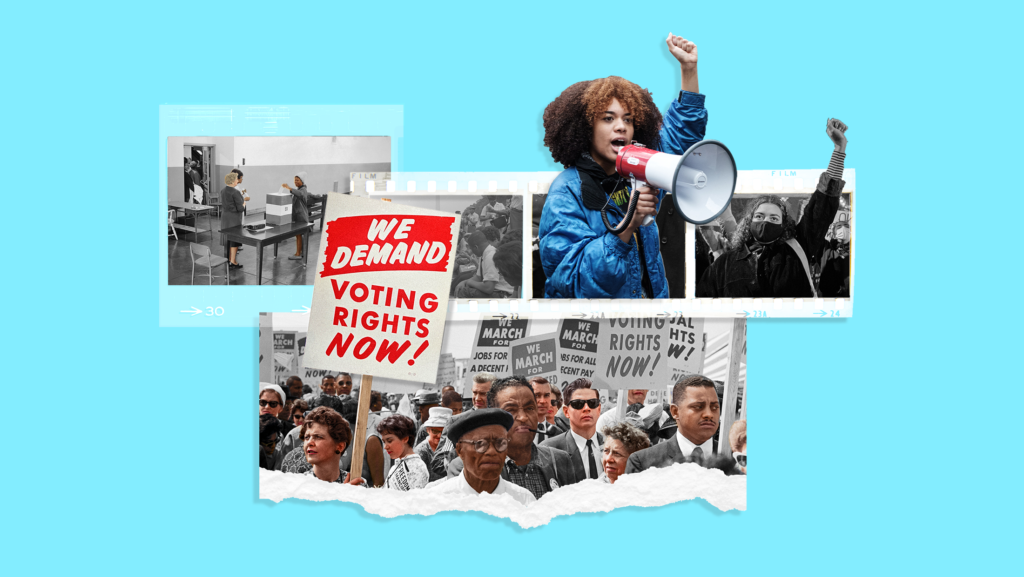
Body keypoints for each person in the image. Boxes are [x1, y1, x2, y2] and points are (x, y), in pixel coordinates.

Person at [539, 34, 707, 299]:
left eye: (628, 120)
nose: (621, 126)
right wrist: (629, 224)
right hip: (598, 332)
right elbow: (573, 280)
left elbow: (681, 134)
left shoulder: (640, 169)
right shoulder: (566, 191)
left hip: (648, 323)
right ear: (585, 128)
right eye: (608, 118)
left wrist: (689, 69)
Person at [696, 118, 849, 298]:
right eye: (759, 216)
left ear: (784, 225)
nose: (765, 222)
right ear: (749, 221)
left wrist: (839, 149)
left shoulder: (798, 248)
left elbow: (822, 204)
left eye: (774, 218)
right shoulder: (722, 265)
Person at [624, 374, 734, 474]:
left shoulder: (738, 460)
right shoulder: (642, 462)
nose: (709, 414)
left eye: (715, 407)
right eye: (698, 407)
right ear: (675, 412)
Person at [425, 408, 536, 505]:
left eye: (500, 443)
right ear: (459, 450)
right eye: (480, 444)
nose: (492, 452)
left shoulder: (524, 501)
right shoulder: (436, 501)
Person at [541, 378, 604, 481]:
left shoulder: (615, 446)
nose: (587, 408)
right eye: (578, 404)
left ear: (599, 409)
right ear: (566, 411)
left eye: (593, 403)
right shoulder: (548, 450)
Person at [300, 406, 361, 484]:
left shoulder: (356, 484)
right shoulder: (298, 485)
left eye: (318, 437)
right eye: (307, 437)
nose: (309, 442)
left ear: (340, 446)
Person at [372, 414, 430, 491]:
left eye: (389, 441)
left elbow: (413, 500)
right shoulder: (395, 465)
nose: (385, 446)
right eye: (384, 442)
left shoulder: (417, 467)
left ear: (405, 439)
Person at [455, 231, 515, 298]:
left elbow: (488, 288)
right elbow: (478, 277)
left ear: (476, 247)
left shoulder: (490, 256)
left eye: (471, 249)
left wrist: (469, 282)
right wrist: (464, 282)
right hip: (495, 291)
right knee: (462, 284)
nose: (471, 251)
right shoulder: (485, 253)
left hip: (501, 294)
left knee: (464, 292)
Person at [280, 172, 323, 261]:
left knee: (299, 235)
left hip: (301, 217)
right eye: (295, 180)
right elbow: (309, 194)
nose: (295, 182)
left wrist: (288, 187)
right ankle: (301, 252)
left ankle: (298, 254)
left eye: (297, 180)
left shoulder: (302, 190)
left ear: (302, 181)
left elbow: (300, 194)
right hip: (299, 216)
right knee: (299, 235)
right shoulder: (301, 189)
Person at [414, 407, 454, 482]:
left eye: (443, 433)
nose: (439, 436)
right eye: (435, 431)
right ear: (428, 430)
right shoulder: (421, 451)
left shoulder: (452, 447)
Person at [221, 172, 246, 269]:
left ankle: (227, 258)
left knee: (227, 237)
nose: (237, 180)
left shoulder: (223, 190)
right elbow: (240, 208)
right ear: (232, 181)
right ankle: (233, 261)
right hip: (234, 218)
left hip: (225, 216)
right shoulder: (236, 192)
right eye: (236, 179)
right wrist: (244, 204)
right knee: (235, 238)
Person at [528, 377, 564, 444]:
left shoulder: (558, 433)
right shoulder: (517, 431)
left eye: (546, 395)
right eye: (537, 395)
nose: (543, 401)